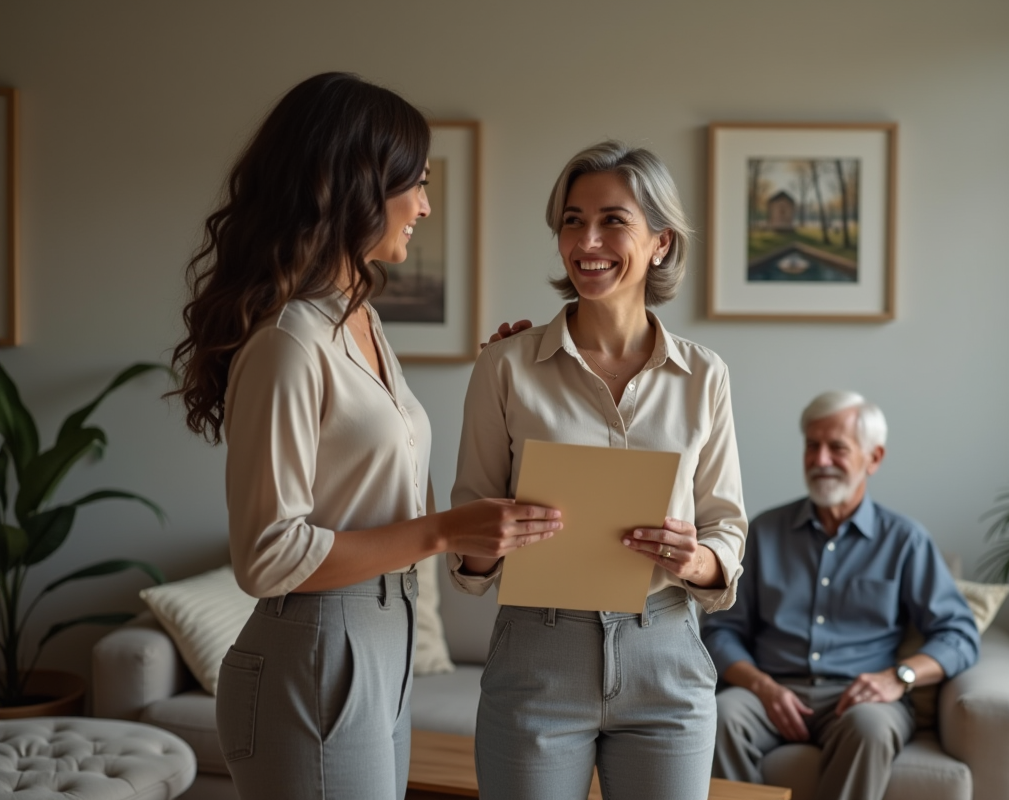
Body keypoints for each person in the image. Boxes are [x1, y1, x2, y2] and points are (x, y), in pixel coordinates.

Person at [170, 72, 561, 800]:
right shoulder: (290, 342)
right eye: (412, 183)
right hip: (317, 645)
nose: (425, 204)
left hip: (386, 635)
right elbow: (267, 554)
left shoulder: (363, 320)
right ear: (353, 183)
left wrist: (503, 381)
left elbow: (378, 474)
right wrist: (443, 531)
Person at [448, 141, 749, 800]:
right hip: (536, 656)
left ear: (661, 243)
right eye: (571, 220)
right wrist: (485, 542)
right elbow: (468, 531)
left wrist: (695, 559)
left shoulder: (705, 377)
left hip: (665, 655)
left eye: (613, 219)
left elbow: (727, 526)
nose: (588, 239)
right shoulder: (505, 365)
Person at [701, 391, 980, 800]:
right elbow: (720, 630)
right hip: (770, 690)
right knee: (722, 715)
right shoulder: (763, 531)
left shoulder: (905, 540)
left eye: (837, 448)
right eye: (812, 446)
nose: (821, 460)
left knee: (870, 728)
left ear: (874, 458)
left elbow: (958, 634)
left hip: (862, 697)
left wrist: (899, 677)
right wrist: (761, 686)